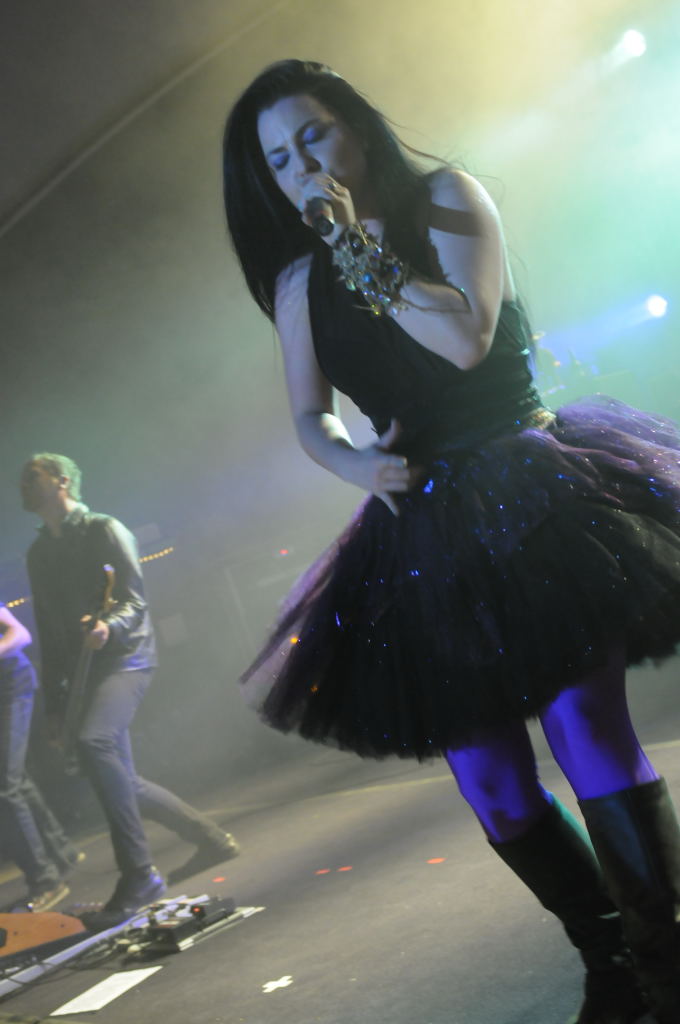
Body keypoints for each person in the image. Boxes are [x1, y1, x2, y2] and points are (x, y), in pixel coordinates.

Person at [222, 59, 680, 1024]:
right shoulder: (299, 282)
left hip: (531, 492)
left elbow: (465, 341)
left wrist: (356, 243)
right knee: (493, 783)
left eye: (312, 137)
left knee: (585, 729)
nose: (301, 167)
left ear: (353, 126)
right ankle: (610, 964)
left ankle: (667, 967)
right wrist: (353, 466)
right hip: (420, 529)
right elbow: (310, 416)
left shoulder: (447, 198)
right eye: (279, 160)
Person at [20, 453, 239, 924]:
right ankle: (209, 839)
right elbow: (50, 634)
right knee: (119, 775)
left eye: (32, 477)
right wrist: (55, 705)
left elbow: (135, 600)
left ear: (61, 481)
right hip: (84, 670)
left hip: (126, 658)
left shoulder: (104, 529)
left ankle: (139, 875)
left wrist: (109, 628)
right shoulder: (39, 554)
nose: (23, 484)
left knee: (96, 744)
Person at [0, 601, 84, 911]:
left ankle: (46, 881)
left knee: (4, 787)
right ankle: (62, 852)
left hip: (9, 685)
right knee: (15, 780)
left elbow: (21, 634)